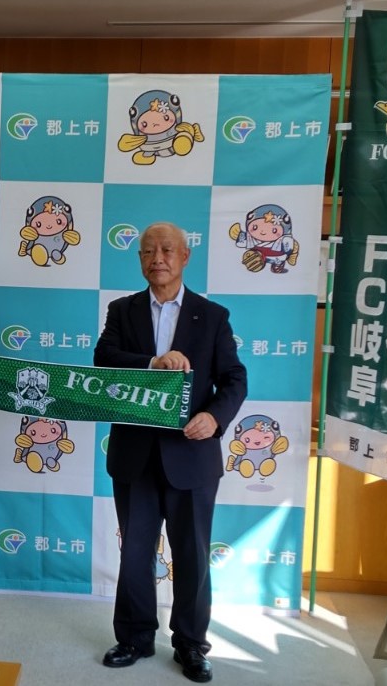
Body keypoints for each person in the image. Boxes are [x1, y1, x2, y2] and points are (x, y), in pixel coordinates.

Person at [93, 222, 247, 683]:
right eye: (147, 251)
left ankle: (191, 643)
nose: (157, 258)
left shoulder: (212, 315)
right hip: (135, 454)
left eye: (166, 250)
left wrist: (214, 418)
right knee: (135, 552)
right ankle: (134, 637)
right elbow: (103, 360)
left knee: (192, 554)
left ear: (184, 257)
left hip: (192, 455)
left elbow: (234, 379)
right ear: (139, 259)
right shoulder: (122, 310)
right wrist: (151, 362)